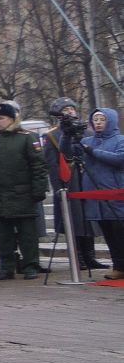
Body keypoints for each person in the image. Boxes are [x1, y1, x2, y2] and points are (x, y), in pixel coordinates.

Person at [0, 101, 48, 280]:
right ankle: (7, 267)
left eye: (1, 118)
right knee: (3, 236)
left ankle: (30, 265)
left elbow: (38, 166)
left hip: (23, 194)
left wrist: (39, 190)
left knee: (27, 235)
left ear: (12, 119)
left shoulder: (26, 138)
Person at [40, 98, 99, 273]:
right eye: (66, 109)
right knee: (74, 220)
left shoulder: (87, 132)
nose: (70, 112)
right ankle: (78, 257)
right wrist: (58, 187)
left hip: (85, 179)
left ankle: (90, 256)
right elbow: (52, 164)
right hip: (69, 180)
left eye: (72, 108)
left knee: (89, 219)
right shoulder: (52, 135)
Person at [81, 108, 124, 273]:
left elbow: (119, 159)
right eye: (95, 120)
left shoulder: (120, 140)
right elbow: (68, 152)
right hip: (96, 198)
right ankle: (118, 267)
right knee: (109, 235)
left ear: (110, 121)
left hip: (115, 195)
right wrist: (68, 136)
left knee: (119, 233)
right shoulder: (88, 140)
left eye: (102, 119)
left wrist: (93, 152)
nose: (98, 123)